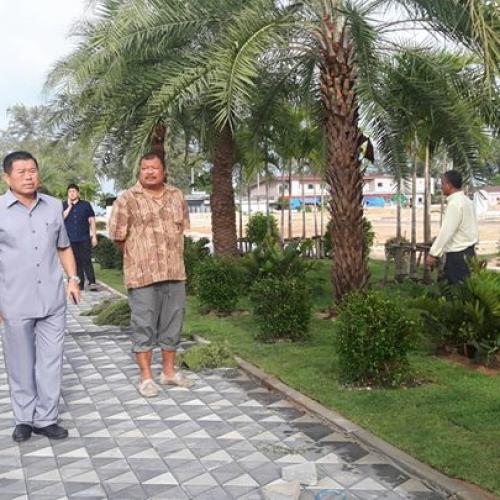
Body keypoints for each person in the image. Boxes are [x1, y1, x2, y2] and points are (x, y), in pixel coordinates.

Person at [0, 151, 81, 442]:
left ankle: (46, 418)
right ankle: (24, 419)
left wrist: (73, 279)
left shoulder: (53, 206)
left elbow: (63, 246)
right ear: (7, 177)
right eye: (21, 172)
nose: (28, 176)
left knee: (51, 362)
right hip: (14, 301)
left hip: (51, 300)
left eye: (32, 170)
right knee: (20, 363)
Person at [109, 152, 193, 397]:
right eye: (145, 168)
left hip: (174, 272)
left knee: (173, 323)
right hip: (142, 275)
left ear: (164, 171)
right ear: (140, 171)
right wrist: (140, 254)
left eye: (154, 167)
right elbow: (117, 236)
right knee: (143, 325)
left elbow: (181, 228)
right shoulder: (127, 199)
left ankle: (168, 372)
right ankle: (146, 378)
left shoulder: (177, 196)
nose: (149, 172)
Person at [426, 170, 479, 284]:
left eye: (442, 183)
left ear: (449, 185)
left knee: (457, 290)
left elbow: (446, 232)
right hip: (469, 252)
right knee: (467, 289)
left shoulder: (455, 204)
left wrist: (433, 254)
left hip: (458, 256)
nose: (441, 187)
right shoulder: (466, 201)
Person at [63, 183, 98, 291]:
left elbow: (92, 220)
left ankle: (92, 282)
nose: (72, 193)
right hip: (70, 239)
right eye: (70, 192)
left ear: (78, 193)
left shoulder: (86, 205)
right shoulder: (64, 205)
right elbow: (61, 218)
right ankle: (80, 283)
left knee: (86, 260)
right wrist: (69, 206)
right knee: (76, 261)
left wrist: (94, 236)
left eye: (74, 191)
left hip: (84, 238)